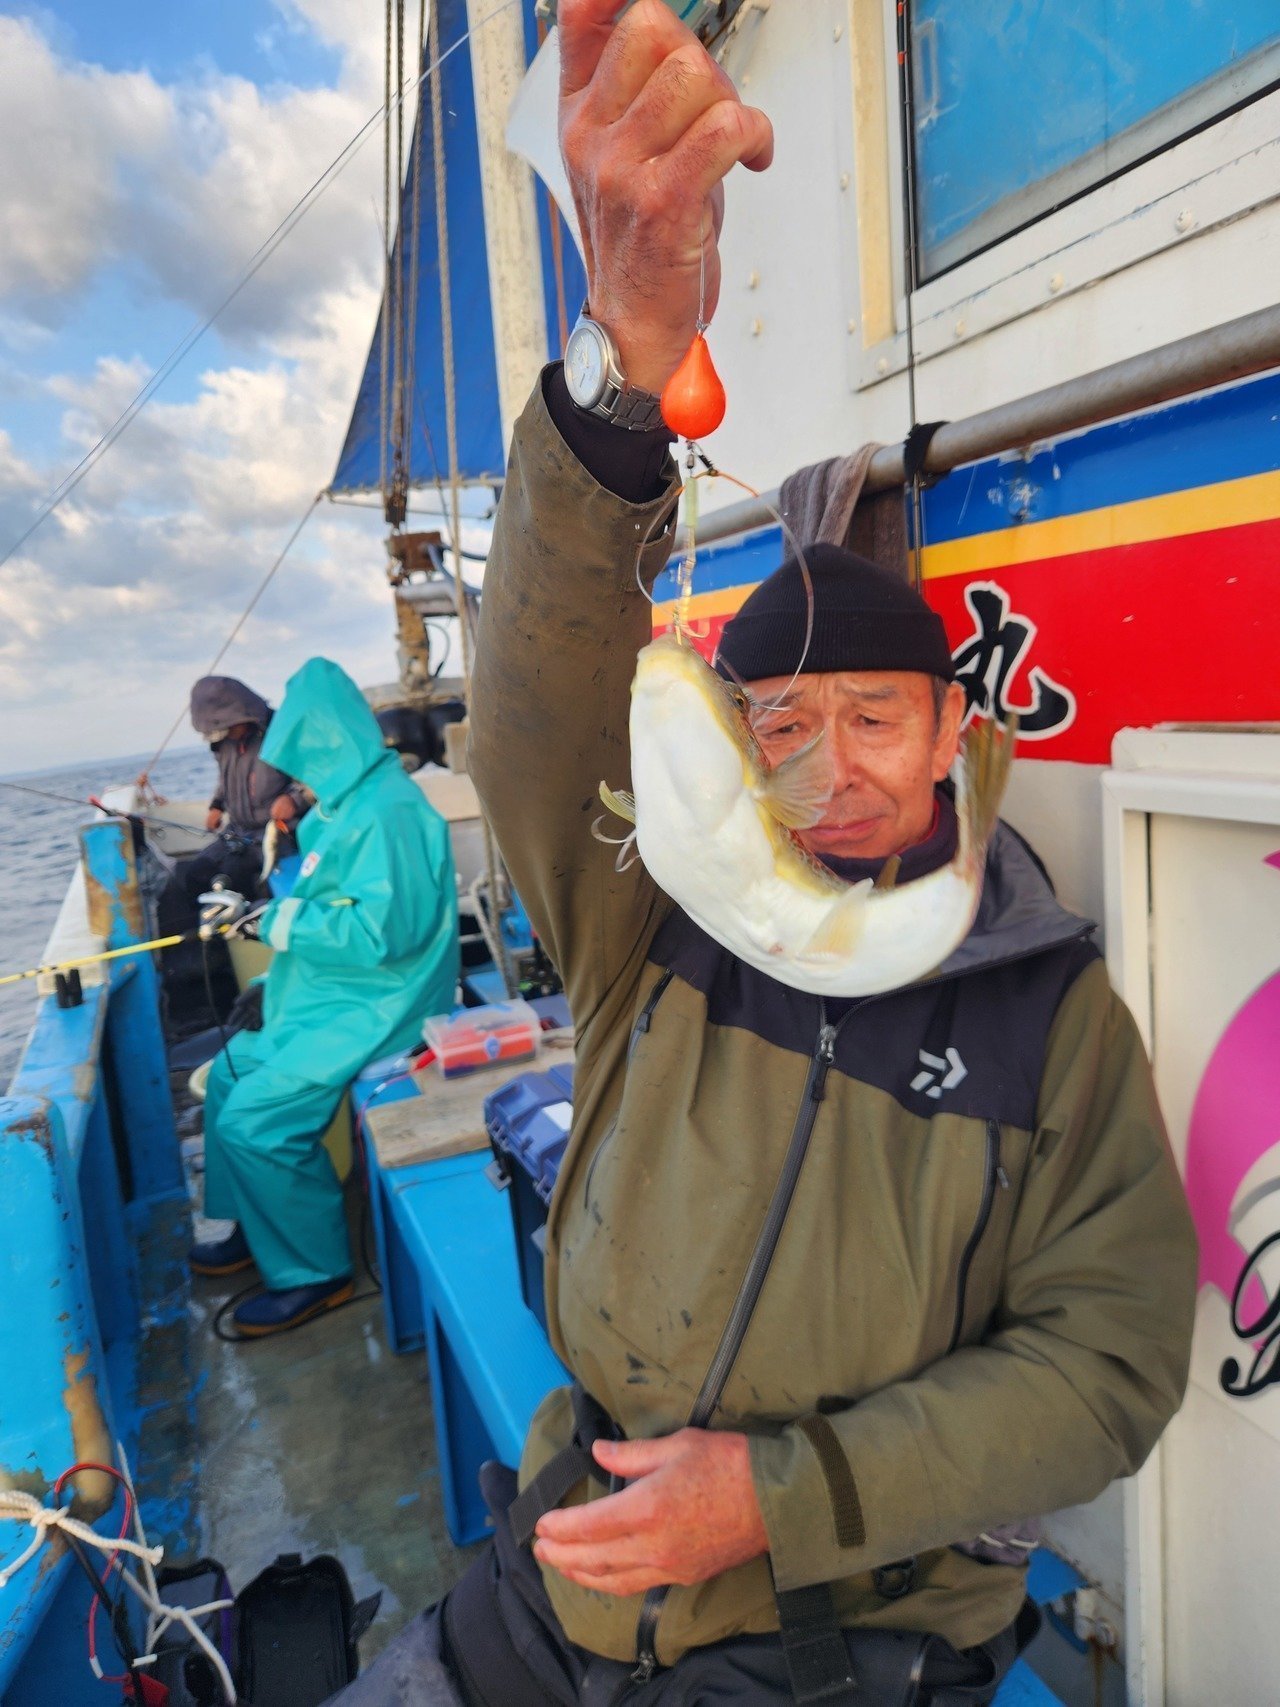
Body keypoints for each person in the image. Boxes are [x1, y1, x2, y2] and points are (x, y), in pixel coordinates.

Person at [332, 4, 1197, 1703]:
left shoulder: (1051, 1015)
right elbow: (535, 724)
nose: (833, 766)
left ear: (953, 735)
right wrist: (620, 371)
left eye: (875, 715)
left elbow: (1111, 1362)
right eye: (781, 727)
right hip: (563, 1574)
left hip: (843, 1637)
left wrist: (779, 1497)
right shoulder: (651, 915)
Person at [189, 657, 460, 1338]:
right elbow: (325, 906)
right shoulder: (341, 809)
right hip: (335, 988)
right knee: (227, 1075)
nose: (300, 779)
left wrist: (268, 922)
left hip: (384, 1000)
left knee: (256, 1120)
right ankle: (256, 1223)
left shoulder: (389, 813)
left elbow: (380, 933)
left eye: (306, 763)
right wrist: (269, 980)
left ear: (331, 744)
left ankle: (315, 1272)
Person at [154, 675, 303, 1031]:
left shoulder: (283, 731)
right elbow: (225, 778)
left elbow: (314, 775)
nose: (223, 736)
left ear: (244, 715)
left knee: (261, 889)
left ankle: (268, 970)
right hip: (237, 832)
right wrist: (217, 804)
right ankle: (207, 968)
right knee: (191, 877)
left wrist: (295, 799)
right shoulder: (226, 744)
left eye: (226, 728)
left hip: (277, 834)